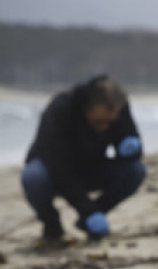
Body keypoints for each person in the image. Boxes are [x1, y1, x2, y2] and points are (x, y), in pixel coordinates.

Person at [21, 75, 146, 245]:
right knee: (33, 178)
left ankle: (89, 220)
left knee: (136, 170)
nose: (105, 127)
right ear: (86, 108)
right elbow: (59, 168)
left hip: (93, 166)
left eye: (110, 122)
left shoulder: (119, 106)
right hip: (53, 170)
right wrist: (88, 210)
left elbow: (130, 140)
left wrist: (131, 148)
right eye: (99, 122)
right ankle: (52, 224)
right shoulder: (60, 110)